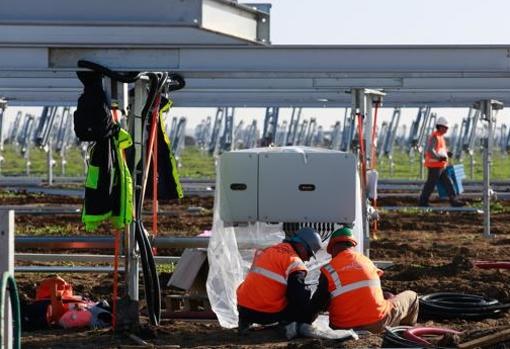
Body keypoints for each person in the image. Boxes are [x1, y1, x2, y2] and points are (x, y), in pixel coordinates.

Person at [311, 227, 419, 333]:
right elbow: (371, 291)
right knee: (412, 296)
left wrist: (304, 323)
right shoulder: (366, 261)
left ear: (333, 248)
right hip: (375, 323)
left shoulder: (328, 269)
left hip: (341, 328)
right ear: (352, 245)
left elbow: (318, 304)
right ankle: (405, 335)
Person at [236, 227, 322, 335]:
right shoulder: (294, 262)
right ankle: (286, 325)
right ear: (301, 246)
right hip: (266, 313)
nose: (308, 259)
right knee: (302, 295)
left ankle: (244, 322)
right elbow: (298, 297)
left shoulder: (267, 250)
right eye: (309, 254)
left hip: (243, 307)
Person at [419, 116, 465, 207]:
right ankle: (423, 202)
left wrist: (447, 153)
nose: (447, 129)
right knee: (431, 184)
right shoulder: (435, 136)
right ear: (440, 127)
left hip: (440, 165)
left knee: (448, 182)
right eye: (445, 127)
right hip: (434, 165)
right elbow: (430, 150)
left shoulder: (440, 137)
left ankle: (454, 200)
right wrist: (439, 158)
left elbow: (440, 150)